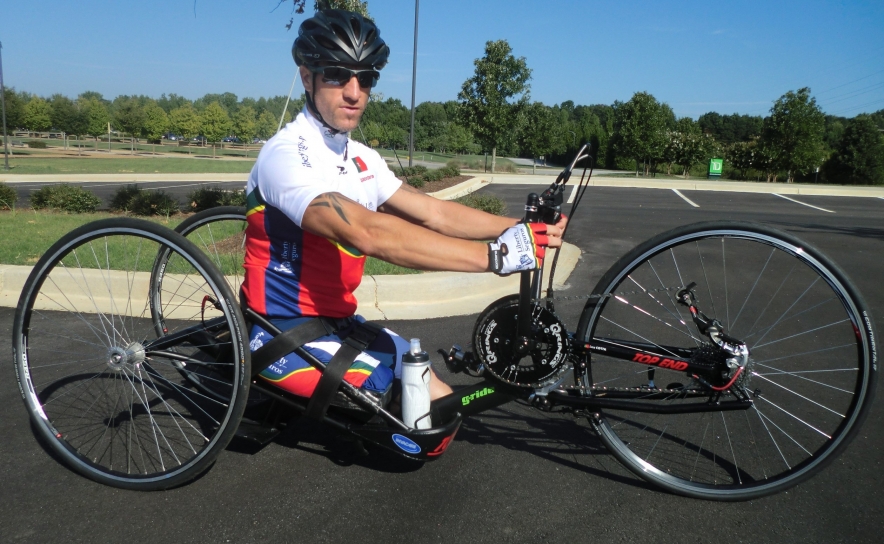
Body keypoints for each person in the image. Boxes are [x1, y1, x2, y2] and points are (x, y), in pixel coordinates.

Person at [242, 9, 566, 411]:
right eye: (337, 74)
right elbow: (368, 232)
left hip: (340, 323)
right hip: (283, 330)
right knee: (415, 423)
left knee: (441, 405)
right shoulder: (286, 154)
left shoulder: (360, 158)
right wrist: (496, 256)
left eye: (367, 77)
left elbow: (435, 213)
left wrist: (520, 228)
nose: (354, 92)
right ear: (307, 77)